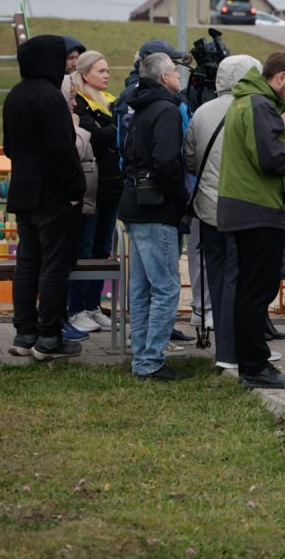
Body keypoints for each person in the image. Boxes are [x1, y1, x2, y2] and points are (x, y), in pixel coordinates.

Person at [217, 52, 285, 389]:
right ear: (280, 76)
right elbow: (271, 160)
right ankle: (255, 366)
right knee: (257, 291)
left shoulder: (246, 102)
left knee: (250, 290)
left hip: (247, 208)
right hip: (258, 210)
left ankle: (251, 363)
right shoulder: (259, 105)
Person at [3, 35, 86, 361]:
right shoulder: (51, 97)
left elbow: (9, 148)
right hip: (53, 195)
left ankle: (24, 333)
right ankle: (49, 336)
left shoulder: (15, 95)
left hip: (23, 191)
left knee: (27, 263)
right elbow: (62, 150)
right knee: (54, 267)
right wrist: (74, 191)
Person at [185, 54, 263, 369]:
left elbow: (189, 159)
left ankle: (224, 352)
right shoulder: (253, 109)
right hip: (242, 210)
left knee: (217, 281)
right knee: (244, 282)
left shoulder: (202, 112)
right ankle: (242, 350)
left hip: (207, 210)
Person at [120, 53, 189, 382]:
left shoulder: (140, 108)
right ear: (164, 78)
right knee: (166, 287)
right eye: (176, 72)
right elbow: (166, 160)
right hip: (156, 208)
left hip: (133, 203)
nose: (179, 77)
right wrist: (179, 196)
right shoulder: (167, 110)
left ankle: (141, 355)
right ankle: (150, 359)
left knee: (142, 286)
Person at [68, 50, 120, 335]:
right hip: (90, 187)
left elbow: (111, 132)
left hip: (112, 184)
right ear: (85, 73)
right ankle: (75, 308)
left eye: (108, 70)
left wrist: (108, 129)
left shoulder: (110, 101)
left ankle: (93, 305)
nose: (107, 75)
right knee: (83, 248)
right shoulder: (78, 103)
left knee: (103, 249)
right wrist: (111, 129)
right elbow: (93, 136)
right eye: (101, 71)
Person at [60, 75, 98, 343]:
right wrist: (80, 129)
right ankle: (64, 316)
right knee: (63, 262)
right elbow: (73, 152)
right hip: (65, 204)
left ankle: (70, 314)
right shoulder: (63, 123)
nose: (75, 102)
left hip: (79, 200)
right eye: (71, 97)